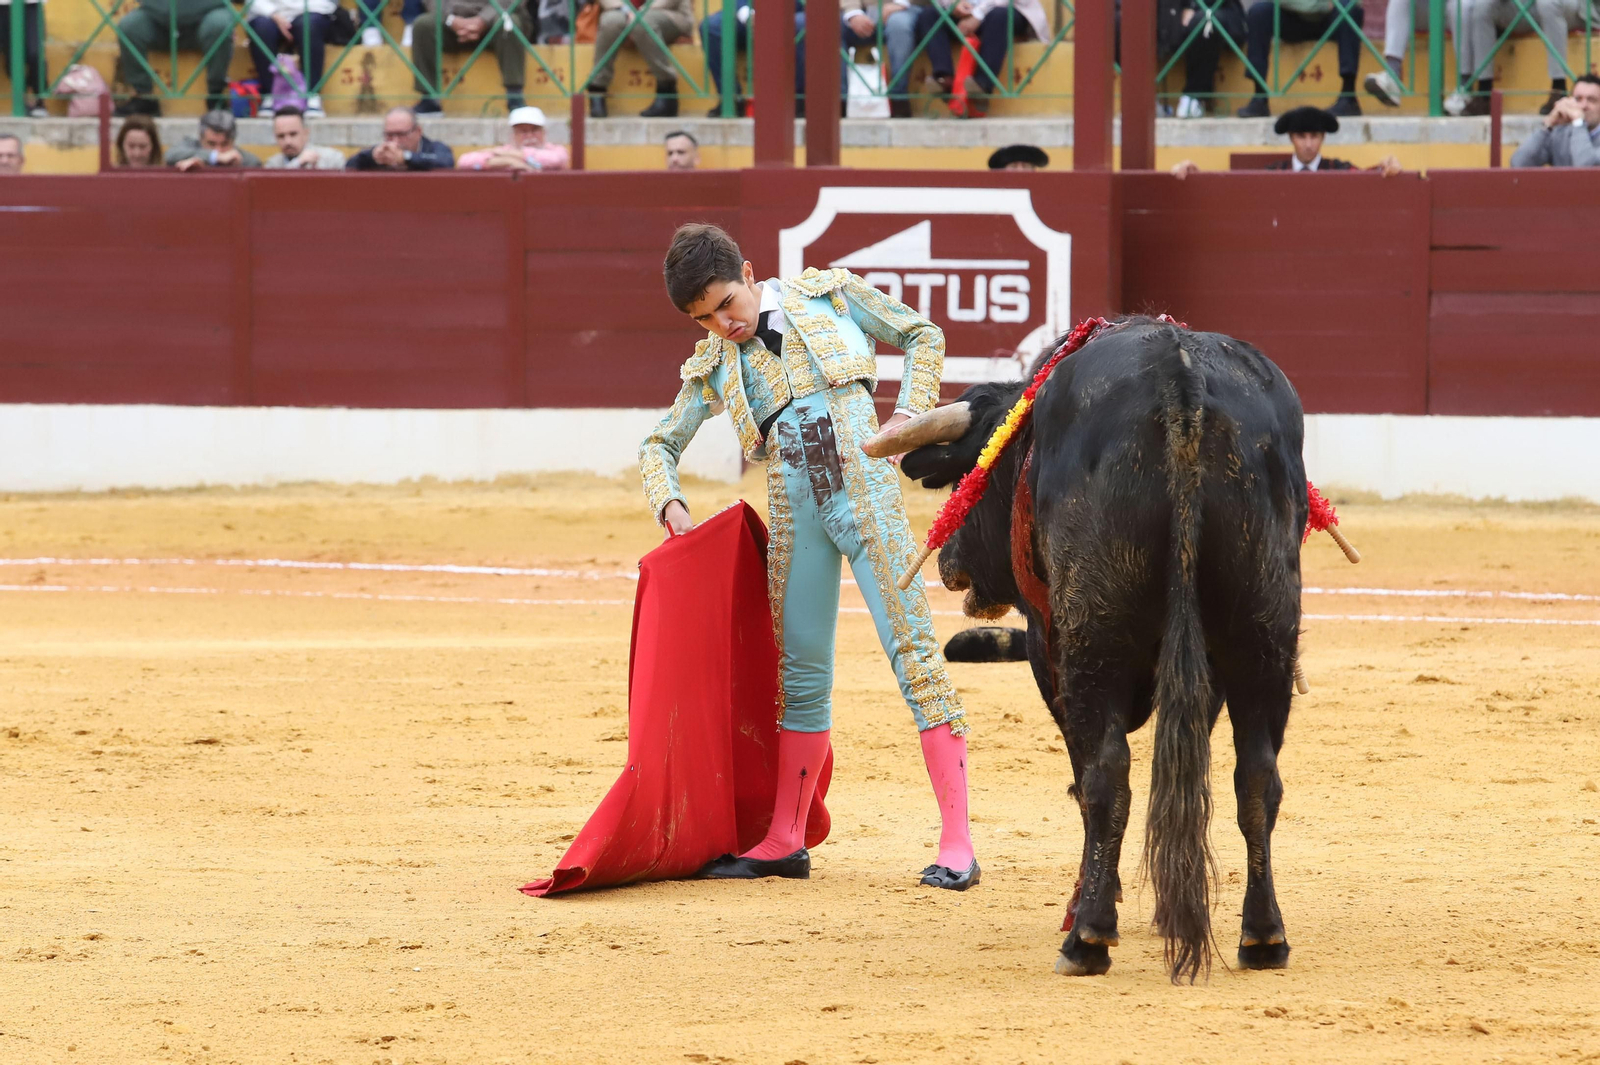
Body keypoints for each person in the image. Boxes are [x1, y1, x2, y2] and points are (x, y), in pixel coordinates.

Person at [640, 224, 978, 891]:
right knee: (799, 677)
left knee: (912, 653)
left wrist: (905, 416)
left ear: (749, 270)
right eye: (703, 317)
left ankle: (958, 843)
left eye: (726, 304)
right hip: (797, 517)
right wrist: (670, 505)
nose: (722, 324)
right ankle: (786, 838)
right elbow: (658, 445)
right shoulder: (713, 363)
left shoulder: (827, 294)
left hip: (868, 498)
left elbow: (922, 334)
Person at [1171, 104, 1402, 174]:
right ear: (1291, 138)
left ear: (1323, 138)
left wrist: (1387, 167)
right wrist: (1195, 173)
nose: (1309, 144)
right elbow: (1231, 190)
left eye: (1315, 136)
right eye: (1302, 136)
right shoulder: (1273, 173)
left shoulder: (1338, 169)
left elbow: (1367, 178)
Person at [914, 0, 1050, 114]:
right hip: (964, 11)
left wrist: (978, 14)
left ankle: (982, 85)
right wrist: (954, 4)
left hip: (1004, 8)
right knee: (929, 15)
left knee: (999, 16)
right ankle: (944, 78)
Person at [1237, 0, 1366, 118]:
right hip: (1293, 20)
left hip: (1331, 20)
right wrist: (1318, 4)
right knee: (1259, 12)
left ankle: (1349, 98)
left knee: (1349, 8)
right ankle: (1259, 98)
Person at [114, 0, 234, 116]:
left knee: (219, 25)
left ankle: (216, 95)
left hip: (206, 19)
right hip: (158, 21)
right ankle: (144, 97)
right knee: (129, 27)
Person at [411, 0, 532, 113]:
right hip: (450, 21)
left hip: (496, 18)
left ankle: (515, 96)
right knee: (423, 25)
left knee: (509, 23)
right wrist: (451, 20)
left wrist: (483, 20)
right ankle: (429, 98)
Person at [586, 0, 694, 118]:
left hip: (668, 12)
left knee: (642, 22)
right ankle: (597, 89)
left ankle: (667, 90)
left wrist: (640, 12)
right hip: (621, 11)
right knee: (610, 22)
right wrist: (626, 10)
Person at [699, 0, 807, 117]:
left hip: (792, 14)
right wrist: (748, 15)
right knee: (711, 26)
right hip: (749, 12)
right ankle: (731, 100)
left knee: (801, 24)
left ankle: (797, 101)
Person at [247, 0, 334, 118]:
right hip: (268, 12)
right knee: (262, 28)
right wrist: (275, 14)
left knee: (309, 25)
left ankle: (312, 94)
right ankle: (270, 95)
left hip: (312, 8)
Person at [1168, 0, 1248, 118]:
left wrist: (1194, 7)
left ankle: (1194, 97)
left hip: (1224, 13)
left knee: (1204, 20)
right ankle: (1150, 98)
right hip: (1181, 13)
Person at [846, 0, 921, 118]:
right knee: (828, 27)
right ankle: (840, 100)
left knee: (899, 25)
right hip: (864, 10)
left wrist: (901, 3)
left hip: (907, 8)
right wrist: (853, 13)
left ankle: (898, 99)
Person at [1511, 72, 1600, 166]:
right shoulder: (1560, 134)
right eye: (1578, 99)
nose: (1583, 106)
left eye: (1591, 100)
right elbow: (1519, 163)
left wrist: (1578, 122)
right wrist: (1547, 126)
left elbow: (1586, 167)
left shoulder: (1576, 127)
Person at [456, 105, 569, 170]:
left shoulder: (556, 150)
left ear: (544, 132)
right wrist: (508, 161)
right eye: (523, 131)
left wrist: (513, 156)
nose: (529, 136)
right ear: (513, 135)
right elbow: (464, 161)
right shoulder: (505, 151)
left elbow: (555, 160)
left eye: (534, 130)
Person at [347, 106, 456, 170]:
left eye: (401, 134)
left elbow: (446, 162)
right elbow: (348, 167)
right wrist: (372, 155)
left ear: (418, 131)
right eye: (389, 135)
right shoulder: (382, 152)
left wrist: (405, 157)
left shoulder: (435, 148)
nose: (395, 141)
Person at [167, 110, 263, 170]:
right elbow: (170, 155)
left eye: (225, 144)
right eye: (211, 144)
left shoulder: (249, 162)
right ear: (201, 138)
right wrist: (213, 157)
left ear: (233, 141)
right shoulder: (189, 146)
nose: (218, 150)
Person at [0, 0, 49, 117]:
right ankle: (24, 100)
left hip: (30, 5)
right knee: (11, 57)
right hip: (2, 6)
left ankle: (39, 99)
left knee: (35, 53)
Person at [263, 106, 346, 169]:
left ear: (305, 133)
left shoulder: (331, 159)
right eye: (281, 136)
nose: (287, 141)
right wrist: (297, 163)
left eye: (293, 134)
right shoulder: (272, 165)